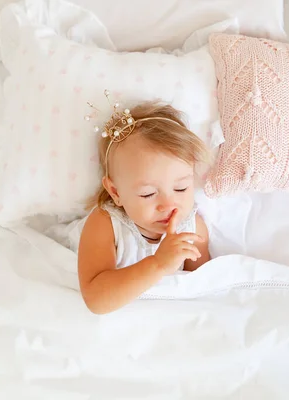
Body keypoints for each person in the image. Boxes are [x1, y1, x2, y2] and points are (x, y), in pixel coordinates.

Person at [77, 101, 211, 314]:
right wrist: (158, 264)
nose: (168, 205)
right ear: (116, 192)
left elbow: (204, 290)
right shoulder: (105, 223)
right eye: (148, 194)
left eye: (181, 188)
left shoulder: (193, 229)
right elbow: (96, 300)